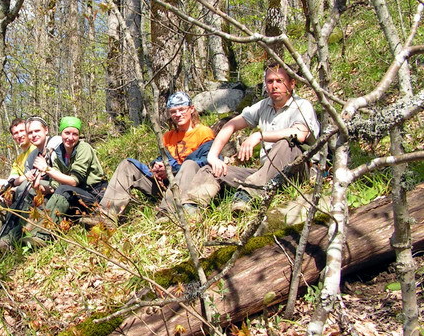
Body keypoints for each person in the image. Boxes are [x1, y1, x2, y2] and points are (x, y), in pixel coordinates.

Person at [181, 64, 320, 213]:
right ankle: (191, 208)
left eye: (280, 81)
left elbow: (300, 134)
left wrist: (259, 136)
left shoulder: (302, 105)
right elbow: (231, 124)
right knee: (211, 169)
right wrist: (213, 156)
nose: (274, 86)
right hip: (265, 174)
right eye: (270, 81)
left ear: (292, 84)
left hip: (298, 171)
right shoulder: (263, 106)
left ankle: (247, 195)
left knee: (286, 143)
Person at [85, 92, 215, 228]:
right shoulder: (167, 136)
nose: (178, 114)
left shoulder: (204, 133)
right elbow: (163, 158)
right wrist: (156, 166)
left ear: (191, 109)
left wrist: (172, 169)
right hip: (165, 185)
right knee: (128, 165)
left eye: (182, 109)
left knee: (189, 165)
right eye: (173, 111)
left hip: (189, 185)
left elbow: (206, 163)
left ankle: (166, 214)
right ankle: (107, 214)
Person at [26, 116, 107, 245]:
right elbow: (54, 187)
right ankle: (25, 234)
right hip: (75, 196)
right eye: (67, 133)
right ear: (61, 133)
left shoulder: (83, 148)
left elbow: (74, 181)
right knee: (43, 195)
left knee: (64, 190)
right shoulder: (58, 154)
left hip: (94, 195)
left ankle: (44, 236)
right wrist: (36, 186)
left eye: (75, 134)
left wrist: (47, 169)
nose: (70, 137)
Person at [0, 117, 60, 249]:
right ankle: (9, 234)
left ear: (46, 130)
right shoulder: (31, 155)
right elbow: (14, 180)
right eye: (31, 132)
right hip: (38, 187)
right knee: (20, 191)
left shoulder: (56, 142)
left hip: (57, 186)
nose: (33, 135)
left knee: (24, 189)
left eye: (36, 131)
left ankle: (20, 233)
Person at [0, 118, 36, 203]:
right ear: (13, 137)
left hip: (31, 190)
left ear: (28, 131)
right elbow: (11, 180)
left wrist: (13, 188)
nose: (20, 135)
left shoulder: (36, 149)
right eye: (16, 133)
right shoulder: (17, 160)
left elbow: (33, 177)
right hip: (19, 187)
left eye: (22, 131)